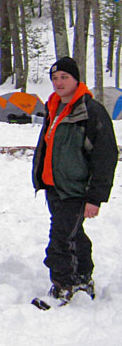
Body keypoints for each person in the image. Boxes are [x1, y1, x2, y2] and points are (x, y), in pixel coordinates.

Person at [32, 57, 117, 304]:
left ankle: (62, 286)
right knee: (74, 234)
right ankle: (82, 276)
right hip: (54, 186)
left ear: (76, 79)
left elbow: (105, 156)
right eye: (55, 78)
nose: (59, 83)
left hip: (77, 190)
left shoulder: (90, 111)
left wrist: (95, 197)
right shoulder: (54, 107)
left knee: (59, 240)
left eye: (64, 77)